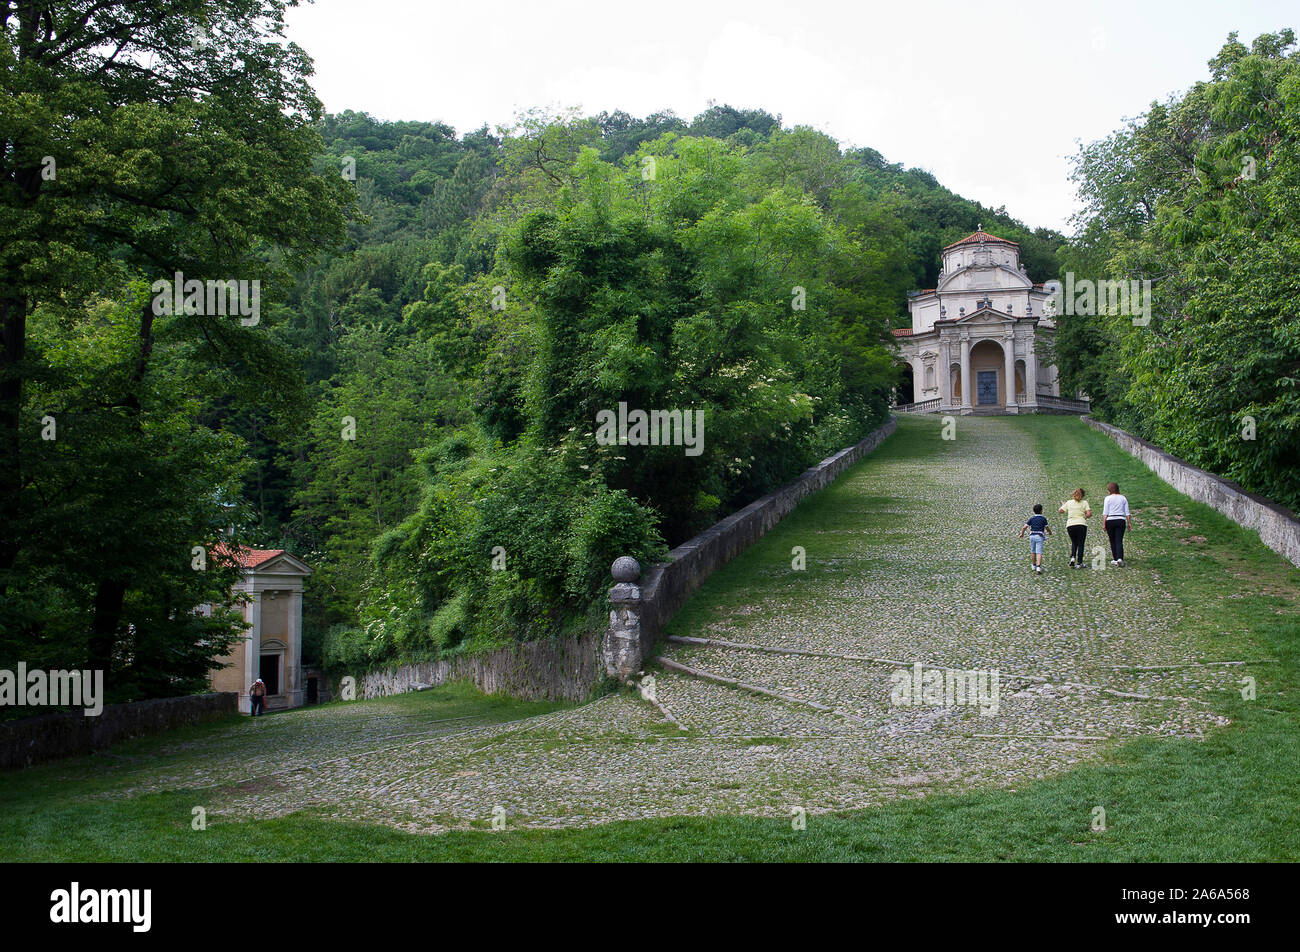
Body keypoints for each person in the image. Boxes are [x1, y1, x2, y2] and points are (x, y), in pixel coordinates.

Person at [1059, 488, 1092, 569]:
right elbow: (1088, 514)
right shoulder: (1085, 503)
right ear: (1083, 495)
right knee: (1081, 544)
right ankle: (1079, 562)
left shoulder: (1069, 502)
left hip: (1070, 525)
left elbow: (1060, 511)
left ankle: (1073, 557)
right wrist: (1085, 513)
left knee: (1074, 542)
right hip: (1081, 524)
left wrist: (1063, 504)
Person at [1102, 481, 1132, 566]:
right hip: (1120, 520)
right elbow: (1127, 512)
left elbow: (1105, 513)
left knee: (1112, 540)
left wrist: (1104, 524)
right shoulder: (1123, 498)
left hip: (1110, 520)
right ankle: (1120, 558)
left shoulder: (1107, 498)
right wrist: (1129, 523)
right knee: (1119, 540)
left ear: (1109, 490)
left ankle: (1115, 558)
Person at [1018, 503, 1052, 574]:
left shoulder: (1032, 519)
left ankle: (1033, 565)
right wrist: (1049, 532)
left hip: (1032, 536)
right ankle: (1038, 566)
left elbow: (1025, 527)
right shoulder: (1043, 519)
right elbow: (1046, 527)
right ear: (1041, 511)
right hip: (1039, 536)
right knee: (1039, 552)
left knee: (1033, 551)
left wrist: (1022, 534)